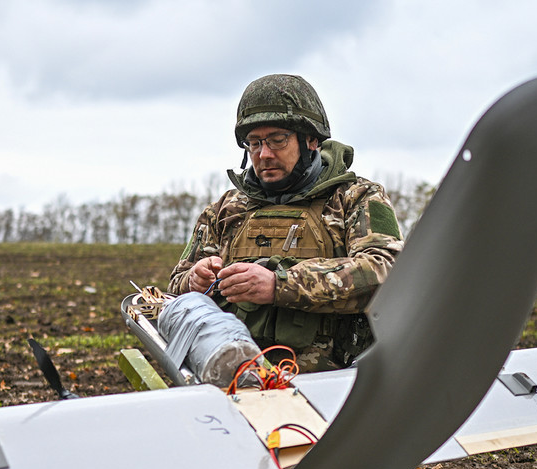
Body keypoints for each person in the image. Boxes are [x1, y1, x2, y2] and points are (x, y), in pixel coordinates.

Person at [168, 74, 404, 371]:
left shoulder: (355, 198)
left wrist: (280, 284)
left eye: (277, 140)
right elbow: (173, 291)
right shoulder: (225, 209)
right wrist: (193, 281)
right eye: (254, 143)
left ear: (311, 140)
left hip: (333, 385)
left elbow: (387, 271)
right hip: (234, 379)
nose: (264, 154)